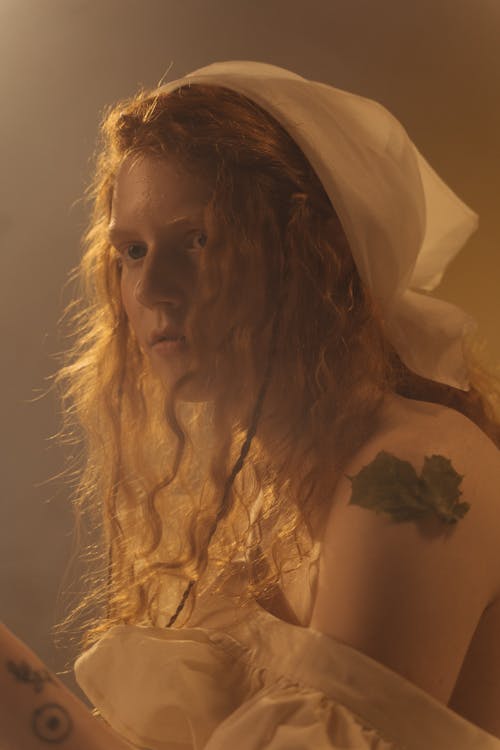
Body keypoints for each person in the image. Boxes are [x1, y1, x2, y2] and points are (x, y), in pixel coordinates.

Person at [2, 60, 500, 749]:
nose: (150, 291)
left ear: (315, 250)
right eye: (133, 251)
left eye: (197, 240)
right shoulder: (257, 501)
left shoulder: (418, 468)